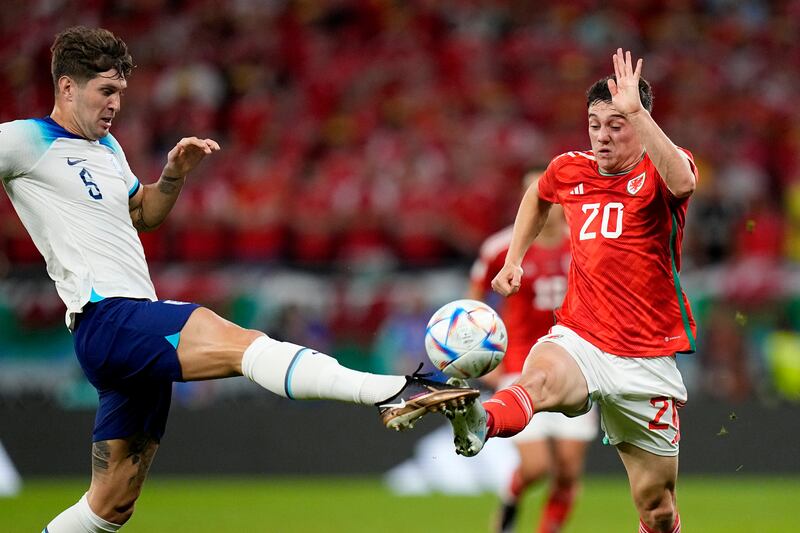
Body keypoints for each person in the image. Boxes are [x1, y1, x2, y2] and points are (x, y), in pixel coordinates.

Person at [0, 26, 478, 532]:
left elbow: (142, 214)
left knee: (111, 504)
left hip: (128, 335)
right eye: (105, 91)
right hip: (110, 318)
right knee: (243, 344)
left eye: (120, 92)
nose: (116, 104)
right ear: (67, 87)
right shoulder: (24, 140)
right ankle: (393, 391)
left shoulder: (108, 149)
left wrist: (174, 175)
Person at [445, 49, 697, 533]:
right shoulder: (569, 169)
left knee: (657, 507)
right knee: (536, 381)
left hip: (647, 357)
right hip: (581, 336)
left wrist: (640, 115)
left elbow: (684, 182)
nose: (602, 136)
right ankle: (481, 422)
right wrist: (515, 259)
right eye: (594, 123)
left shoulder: (661, 170)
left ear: (641, 125)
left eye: (616, 124)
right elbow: (537, 197)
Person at [468, 190, 598, 533]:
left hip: (576, 365)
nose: (542, 203)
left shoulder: (585, 242)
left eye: (548, 198)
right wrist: (486, 362)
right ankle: (510, 498)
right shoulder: (501, 248)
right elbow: (474, 307)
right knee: (537, 466)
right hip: (521, 366)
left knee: (568, 470)